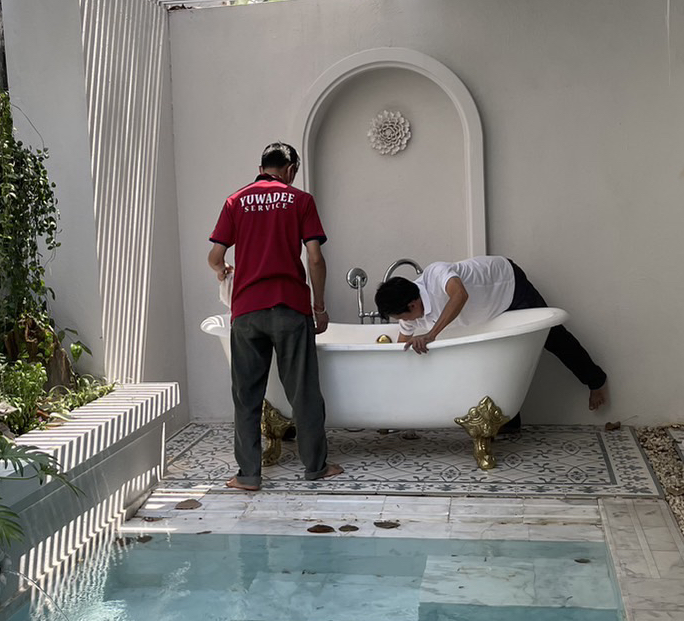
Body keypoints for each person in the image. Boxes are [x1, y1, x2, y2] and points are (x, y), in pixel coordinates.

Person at [209, 142, 343, 490]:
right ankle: (315, 467)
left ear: (260, 168)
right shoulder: (300, 200)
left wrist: (223, 271)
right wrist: (319, 306)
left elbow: (215, 256)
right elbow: (315, 258)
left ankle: (248, 475)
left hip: (247, 311)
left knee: (246, 396)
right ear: (291, 169)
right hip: (290, 308)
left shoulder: (235, 201)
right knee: (303, 392)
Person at [374, 256, 608, 425]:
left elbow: (460, 295)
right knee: (499, 358)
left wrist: (431, 335)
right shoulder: (410, 315)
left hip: (510, 287)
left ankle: (596, 380)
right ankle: (509, 424)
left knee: (552, 336)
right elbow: (400, 348)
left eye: (401, 317)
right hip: (484, 312)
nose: (403, 322)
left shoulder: (436, 274)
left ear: (412, 304)